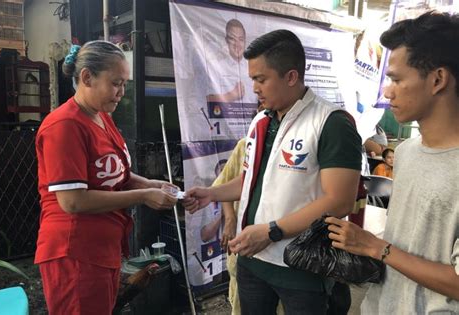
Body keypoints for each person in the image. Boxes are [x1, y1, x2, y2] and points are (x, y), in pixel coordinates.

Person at [185, 29, 362, 314]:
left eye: (261, 79)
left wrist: (272, 231)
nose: (254, 87)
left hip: (302, 266)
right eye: (252, 78)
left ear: (291, 77)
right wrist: (211, 193)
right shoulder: (261, 122)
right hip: (253, 260)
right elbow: (251, 180)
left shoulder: (331, 123)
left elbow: (339, 201)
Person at [326, 11, 459, 314]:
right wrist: (365, 245)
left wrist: (376, 247)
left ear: (438, 79)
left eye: (396, 79)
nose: (387, 91)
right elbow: (413, 240)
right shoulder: (408, 151)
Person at [35, 41, 178, 315]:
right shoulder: (64, 126)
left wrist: (150, 184)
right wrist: (143, 196)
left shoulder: (101, 116)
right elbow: (73, 201)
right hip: (74, 250)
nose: (121, 93)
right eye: (115, 83)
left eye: (124, 83)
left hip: (103, 246)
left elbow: (115, 174)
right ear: (87, 77)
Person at [205, 19, 257, 104]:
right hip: (225, 117)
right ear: (226, 40)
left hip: (253, 117)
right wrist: (231, 96)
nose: (237, 44)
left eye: (241, 39)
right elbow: (208, 98)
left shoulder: (254, 67)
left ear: (245, 41)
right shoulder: (217, 67)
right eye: (233, 39)